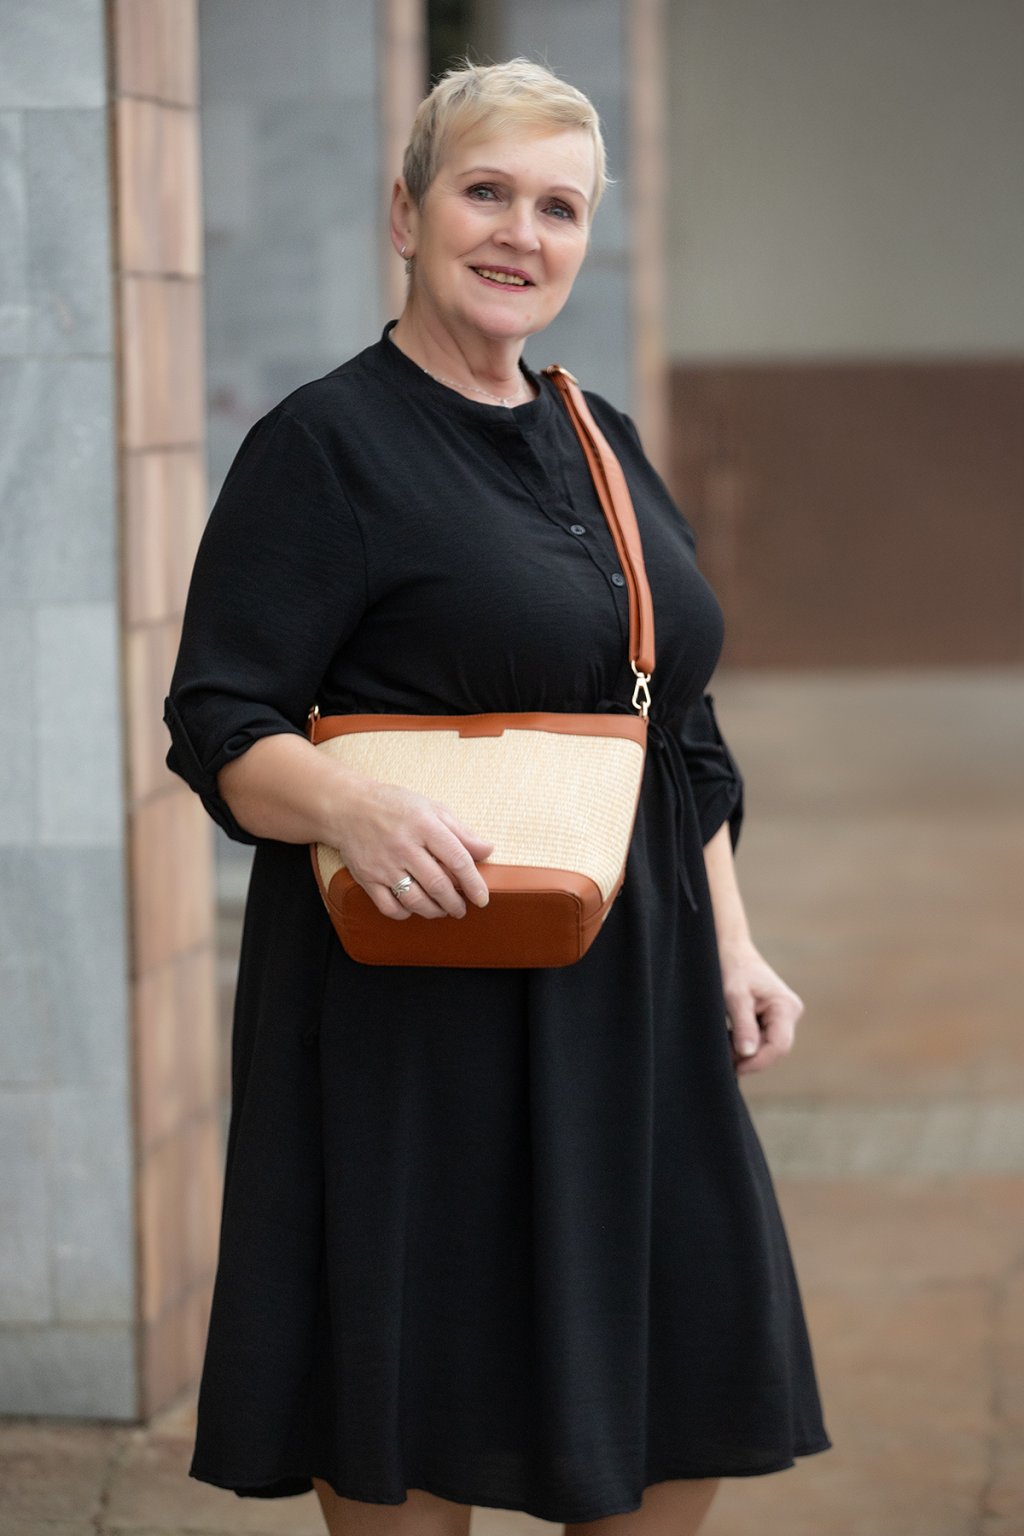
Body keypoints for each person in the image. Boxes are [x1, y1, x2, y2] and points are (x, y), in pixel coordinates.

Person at [165, 57, 830, 1536]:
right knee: (414, 1401)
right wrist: (349, 808)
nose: (522, 234)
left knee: (671, 1389)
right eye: (486, 193)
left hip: (636, 998)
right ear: (407, 214)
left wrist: (731, 943)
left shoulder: (601, 438)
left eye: (559, 207)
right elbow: (218, 717)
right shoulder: (322, 446)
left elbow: (675, 727)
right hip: (415, 1018)